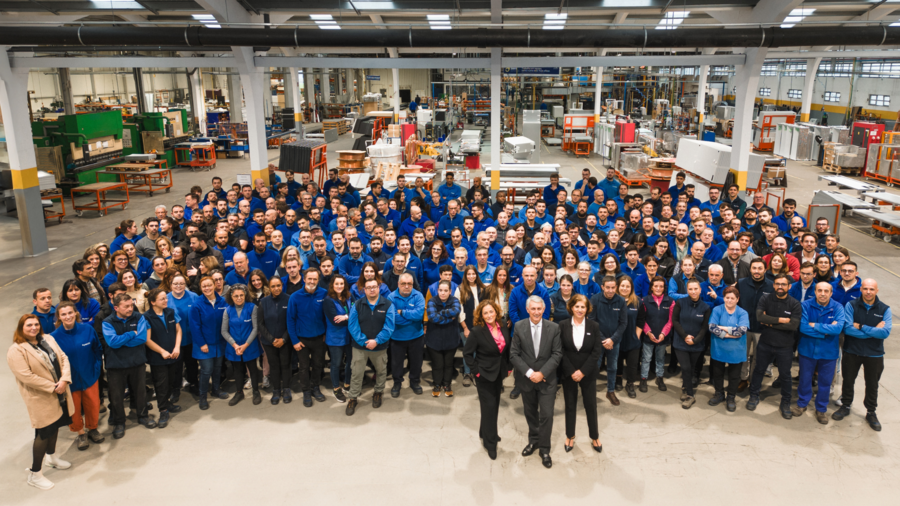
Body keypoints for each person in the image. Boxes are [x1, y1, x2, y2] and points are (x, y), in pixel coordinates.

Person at [8, 314, 75, 490]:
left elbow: (63, 358)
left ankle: (51, 458)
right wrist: (53, 387)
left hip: (60, 392)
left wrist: (64, 380)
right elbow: (26, 376)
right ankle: (35, 474)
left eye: (36, 324)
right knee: (43, 433)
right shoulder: (17, 350)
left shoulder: (48, 338)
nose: (34, 328)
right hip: (42, 397)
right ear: (21, 328)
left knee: (56, 425)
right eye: (29, 325)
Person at [510, 295, 562, 469]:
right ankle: (533, 441)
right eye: (533, 309)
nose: (536, 312)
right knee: (530, 413)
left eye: (539, 309)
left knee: (546, 415)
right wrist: (530, 373)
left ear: (544, 309)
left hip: (547, 380)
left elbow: (557, 354)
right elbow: (514, 354)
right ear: (527, 310)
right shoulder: (519, 326)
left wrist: (542, 373)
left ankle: (544, 449)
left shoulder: (554, 328)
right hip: (527, 380)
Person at [834, 279, 890, 431]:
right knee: (848, 380)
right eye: (865, 288)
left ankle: (871, 412)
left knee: (872, 384)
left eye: (871, 289)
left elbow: (884, 333)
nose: (868, 292)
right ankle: (846, 405)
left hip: (874, 354)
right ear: (861, 289)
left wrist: (861, 326)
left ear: (877, 290)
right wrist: (873, 331)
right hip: (852, 350)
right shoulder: (851, 305)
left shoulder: (885, 309)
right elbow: (848, 329)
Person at [102, 293, 157, 438]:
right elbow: (112, 342)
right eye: (126, 306)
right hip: (116, 365)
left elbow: (142, 338)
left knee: (140, 392)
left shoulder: (139, 317)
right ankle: (119, 422)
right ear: (116, 308)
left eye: (131, 305)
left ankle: (143, 416)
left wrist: (123, 341)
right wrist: (132, 334)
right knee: (117, 396)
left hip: (137, 362)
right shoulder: (107, 322)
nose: (130, 309)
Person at [49, 302, 103, 451]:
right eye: (63, 314)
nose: (68, 316)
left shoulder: (88, 330)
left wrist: (96, 369)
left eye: (70, 313)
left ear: (76, 313)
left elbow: (97, 350)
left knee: (93, 404)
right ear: (59, 317)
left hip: (89, 376)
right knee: (73, 410)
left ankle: (93, 428)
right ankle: (80, 433)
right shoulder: (53, 338)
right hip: (69, 382)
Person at [746, 274, 801, 419]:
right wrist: (782, 320)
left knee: (785, 375)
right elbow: (760, 317)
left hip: (785, 346)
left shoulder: (795, 304)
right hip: (765, 343)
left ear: (789, 286)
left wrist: (770, 323)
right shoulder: (765, 299)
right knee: (758, 370)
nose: (780, 287)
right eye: (777, 284)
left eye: (783, 284)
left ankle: (785, 402)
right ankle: (754, 395)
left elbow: (793, 326)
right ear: (774, 285)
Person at [464, 300, 511, 460]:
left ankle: (485, 432)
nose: (489, 315)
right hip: (484, 375)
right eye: (485, 313)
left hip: (499, 373)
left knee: (493, 405)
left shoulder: (503, 326)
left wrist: (508, 367)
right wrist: (476, 372)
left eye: (491, 311)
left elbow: (506, 350)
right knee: (489, 407)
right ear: (481, 316)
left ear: (496, 312)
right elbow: (467, 354)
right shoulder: (477, 331)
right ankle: (490, 444)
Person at [792, 282, 845, 424]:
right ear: (815, 292)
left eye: (826, 291)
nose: (822, 293)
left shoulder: (838, 307)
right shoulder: (805, 306)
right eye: (819, 290)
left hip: (829, 352)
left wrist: (814, 325)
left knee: (825, 382)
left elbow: (837, 329)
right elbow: (803, 328)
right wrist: (826, 331)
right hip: (807, 349)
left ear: (831, 293)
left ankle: (821, 409)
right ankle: (802, 403)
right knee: (805, 379)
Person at [558, 294, 604, 454]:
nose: (579, 309)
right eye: (576, 306)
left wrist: (583, 371)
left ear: (587, 309)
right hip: (569, 372)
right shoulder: (562, 325)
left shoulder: (594, 326)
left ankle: (595, 436)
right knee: (570, 405)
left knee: (591, 405)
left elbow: (596, 352)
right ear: (571, 307)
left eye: (583, 307)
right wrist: (572, 371)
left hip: (588, 372)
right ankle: (570, 436)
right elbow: (560, 351)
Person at [345, 278, 395, 416]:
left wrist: (377, 341)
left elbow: (389, 327)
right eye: (369, 287)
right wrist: (364, 341)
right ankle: (353, 397)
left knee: (381, 371)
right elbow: (352, 325)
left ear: (379, 288)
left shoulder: (388, 305)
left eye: (374, 287)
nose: (372, 289)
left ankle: (378, 392)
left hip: (379, 346)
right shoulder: (357, 304)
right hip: (360, 347)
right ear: (364, 290)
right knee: (356, 373)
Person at [287, 268, 328, 407]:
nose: (312, 281)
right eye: (309, 278)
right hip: (301, 340)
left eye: (315, 279)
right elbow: (290, 320)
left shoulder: (324, 293)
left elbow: (327, 316)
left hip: (319, 338)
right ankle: (306, 391)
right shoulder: (295, 297)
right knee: (304, 367)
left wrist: (325, 334)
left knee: (318, 365)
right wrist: (294, 341)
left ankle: (315, 387)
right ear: (304, 279)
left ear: (318, 280)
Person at [143, 289, 183, 428]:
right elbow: (147, 340)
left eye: (166, 298)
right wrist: (162, 351)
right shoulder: (147, 317)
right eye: (162, 299)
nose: (166, 300)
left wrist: (177, 347)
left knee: (171, 381)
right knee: (161, 384)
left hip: (173, 354)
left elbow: (178, 330)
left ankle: (167, 403)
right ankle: (163, 410)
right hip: (158, 357)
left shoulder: (170, 312)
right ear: (153, 302)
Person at [189, 276, 229, 410]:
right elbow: (194, 327)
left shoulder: (223, 301)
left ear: (215, 285)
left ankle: (216, 389)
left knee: (217, 368)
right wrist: (202, 344)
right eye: (204, 286)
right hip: (204, 344)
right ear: (201, 288)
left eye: (209, 285)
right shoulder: (197, 305)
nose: (207, 288)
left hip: (219, 343)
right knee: (206, 371)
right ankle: (203, 396)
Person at [707, 287, 749, 412]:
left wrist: (722, 328)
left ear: (737, 299)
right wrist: (730, 333)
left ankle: (731, 397)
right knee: (717, 374)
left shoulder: (743, 313)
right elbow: (712, 327)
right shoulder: (717, 309)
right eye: (727, 298)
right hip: (718, 349)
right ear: (724, 298)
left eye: (732, 298)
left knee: (734, 376)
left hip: (736, 350)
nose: (729, 300)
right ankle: (719, 394)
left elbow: (741, 331)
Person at [671, 279, 711, 409]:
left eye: (695, 289)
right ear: (687, 290)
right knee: (686, 368)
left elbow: (704, 327)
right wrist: (685, 336)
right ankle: (690, 395)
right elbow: (675, 321)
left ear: (700, 290)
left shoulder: (705, 307)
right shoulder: (680, 303)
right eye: (690, 289)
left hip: (697, 344)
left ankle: (685, 386)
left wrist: (695, 340)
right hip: (680, 342)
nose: (693, 291)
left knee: (692, 368)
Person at [589, 275, 627, 405]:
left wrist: (612, 340)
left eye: (613, 288)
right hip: (598, 341)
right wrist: (604, 340)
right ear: (602, 287)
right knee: (595, 367)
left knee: (612, 367)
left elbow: (623, 323)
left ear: (616, 287)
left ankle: (610, 391)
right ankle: (590, 392)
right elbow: (592, 321)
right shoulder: (595, 299)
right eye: (607, 288)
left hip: (614, 342)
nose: (610, 290)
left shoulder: (621, 301)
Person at [388, 273, 426, 397]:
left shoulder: (418, 296)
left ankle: (415, 381)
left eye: (409, 284)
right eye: (403, 283)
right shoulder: (391, 297)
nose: (406, 286)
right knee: (396, 363)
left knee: (416, 362)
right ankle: (397, 383)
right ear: (398, 284)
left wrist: (402, 312)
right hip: (397, 337)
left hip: (416, 336)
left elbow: (419, 315)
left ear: (413, 284)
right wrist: (411, 318)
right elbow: (393, 318)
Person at [257, 277, 292, 405]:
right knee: (274, 366)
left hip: (285, 341)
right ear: (269, 287)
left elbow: (292, 321)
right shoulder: (263, 302)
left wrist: (284, 339)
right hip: (269, 342)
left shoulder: (289, 299)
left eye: (278, 285)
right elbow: (260, 324)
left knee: (286, 365)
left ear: (282, 285)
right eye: (273, 286)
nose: (276, 288)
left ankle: (286, 389)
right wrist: (272, 339)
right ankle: (276, 390)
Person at [426, 280, 462, 397]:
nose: (443, 293)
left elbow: (456, 310)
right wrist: (449, 318)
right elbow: (432, 317)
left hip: (451, 339)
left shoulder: (455, 300)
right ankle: (437, 384)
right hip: (434, 340)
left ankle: (447, 384)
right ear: (437, 290)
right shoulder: (432, 301)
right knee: (437, 365)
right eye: (441, 290)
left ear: (450, 291)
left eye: (446, 290)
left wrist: (440, 312)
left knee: (448, 364)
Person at [166, 274, 198, 399]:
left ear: (185, 285)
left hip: (191, 338)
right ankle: (176, 388)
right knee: (176, 366)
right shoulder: (166, 299)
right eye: (175, 284)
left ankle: (194, 384)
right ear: (171, 285)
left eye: (181, 283)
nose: (178, 286)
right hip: (173, 340)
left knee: (192, 364)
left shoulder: (194, 297)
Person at [640, 276, 673, 392]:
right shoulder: (644, 301)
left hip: (662, 337)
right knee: (646, 359)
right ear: (651, 287)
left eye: (661, 286)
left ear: (664, 288)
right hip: (648, 336)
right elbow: (642, 320)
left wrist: (663, 333)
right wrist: (648, 332)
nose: (658, 288)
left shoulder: (670, 301)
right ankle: (643, 378)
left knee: (660, 358)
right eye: (656, 286)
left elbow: (670, 320)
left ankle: (660, 377)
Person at [323, 275, 353, 402]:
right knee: (336, 364)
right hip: (335, 337)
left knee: (350, 362)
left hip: (350, 336)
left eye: (342, 283)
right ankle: (336, 388)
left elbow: (357, 312)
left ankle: (347, 384)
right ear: (332, 285)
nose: (339, 286)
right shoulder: (328, 300)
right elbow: (335, 321)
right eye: (337, 284)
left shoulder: (350, 296)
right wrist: (350, 318)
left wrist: (346, 317)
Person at [455, 265, 484, 387]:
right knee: (468, 350)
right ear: (465, 276)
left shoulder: (482, 288)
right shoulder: (460, 289)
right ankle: (467, 373)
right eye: (469, 274)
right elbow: (459, 310)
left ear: (476, 275)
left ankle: (476, 373)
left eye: (473, 274)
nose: (471, 276)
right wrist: (465, 328)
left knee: (479, 351)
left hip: (480, 325)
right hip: (466, 325)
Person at [616, 276, 643, 398]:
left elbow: (641, 320)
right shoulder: (614, 300)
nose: (625, 288)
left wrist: (636, 336)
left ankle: (630, 384)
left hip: (632, 338)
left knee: (632, 364)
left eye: (628, 286)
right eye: (622, 286)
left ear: (631, 287)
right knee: (618, 361)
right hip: (617, 338)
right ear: (618, 287)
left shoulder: (638, 301)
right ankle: (618, 379)